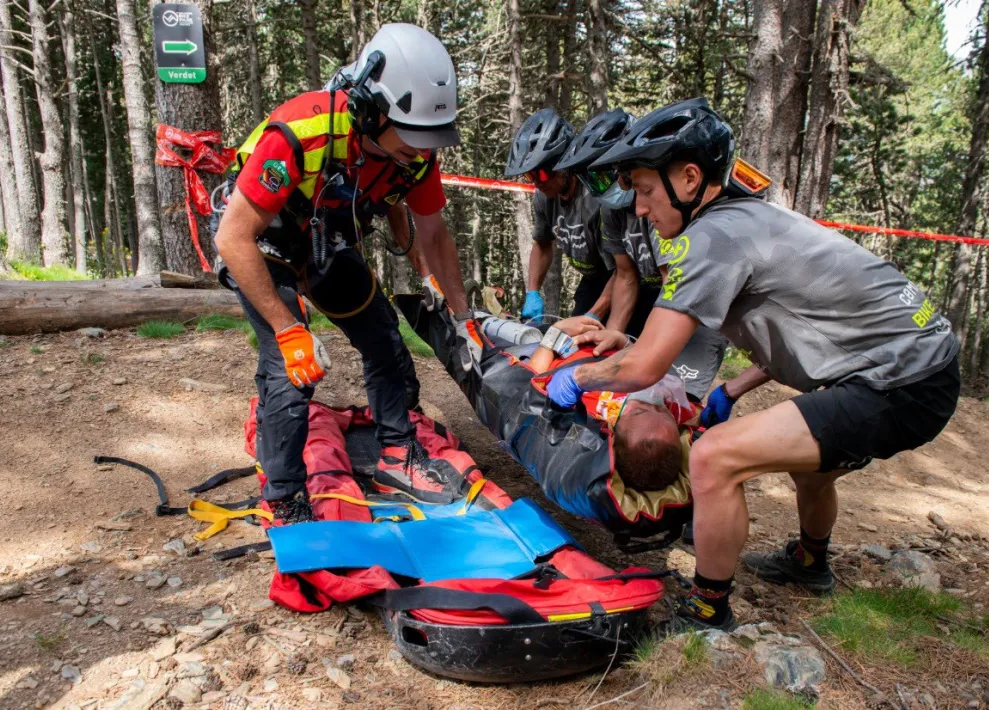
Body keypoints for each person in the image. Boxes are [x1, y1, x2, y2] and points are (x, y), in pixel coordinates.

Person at [546, 98, 961, 631]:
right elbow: (806, 326)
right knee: (814, 462)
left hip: (901, 381)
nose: (641, 209)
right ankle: (810, 563)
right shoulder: (751, 216)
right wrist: (733, 391)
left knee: (715, 457)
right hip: (914, 366)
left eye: (646, 191)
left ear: (690, 178)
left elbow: (644, 367)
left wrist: (575, 378)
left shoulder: (710, 238)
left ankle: (706, 609)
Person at [214, 24, 482, 521]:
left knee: (383, 334)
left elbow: (435, 234)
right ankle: (285, 496)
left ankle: (397, 457)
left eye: (429, 141)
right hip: (263, 236)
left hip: (326, 236)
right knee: (291, 366)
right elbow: (233, 237)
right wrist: (288, 327)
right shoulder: (302, 129)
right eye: (411, 140)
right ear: (371, 108)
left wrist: (463, 317)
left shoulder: (416, 151)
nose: (421, 153)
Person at [553, 108, 729, 401]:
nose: (604, 189)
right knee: (621, 392)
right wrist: (608, 342)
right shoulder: (612, 212)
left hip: (695, 311)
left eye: (609, 178)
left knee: (670, 402)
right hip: (664, 301)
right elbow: (625, 274)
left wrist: (641, 352)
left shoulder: (665, 207)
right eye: (590, 181)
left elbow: (678, 289)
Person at [525, 317, 693, 492]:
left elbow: (529, 386)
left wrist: (554, 334)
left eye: (639, 412)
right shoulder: (676, 406)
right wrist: (622, 341)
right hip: (607, 342)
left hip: (558, 345)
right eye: (663, 410)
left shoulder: (588, 418)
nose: (652, 399)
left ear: (611, 434)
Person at [505, 109, 616, 322]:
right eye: (530, 175)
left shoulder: (596, 200)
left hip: (620, 276)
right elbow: (543, 243)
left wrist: (593, 317)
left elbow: (624, 272)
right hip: (592, 280)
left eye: (543, 173)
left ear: (565, 165)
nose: (537, 182)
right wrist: (532, 292)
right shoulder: (543, 198)